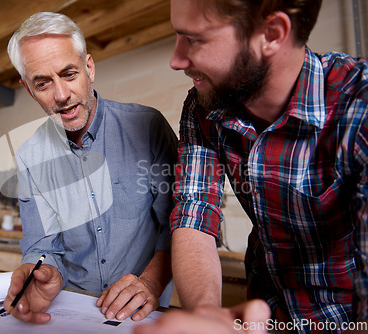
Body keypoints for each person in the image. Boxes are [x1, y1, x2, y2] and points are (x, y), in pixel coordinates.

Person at [135, 0, 368, 333]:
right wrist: (206, 316)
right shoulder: (205, 106)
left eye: (195, 40)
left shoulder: (359, 107)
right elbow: (193, 214)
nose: (176, 60)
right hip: (263, 314)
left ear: (271, 34)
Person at [3, 12, 178, 325]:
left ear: (89, 67)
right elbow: (42, 246)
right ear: (29, 90)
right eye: (43, 84)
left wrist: (150, 283)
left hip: (141, 313)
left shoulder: (147, 127)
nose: (61, 95)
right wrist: (38, 269)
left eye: (69, 74)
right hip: (72, 309)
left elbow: (178, 222)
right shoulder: (31, 155)